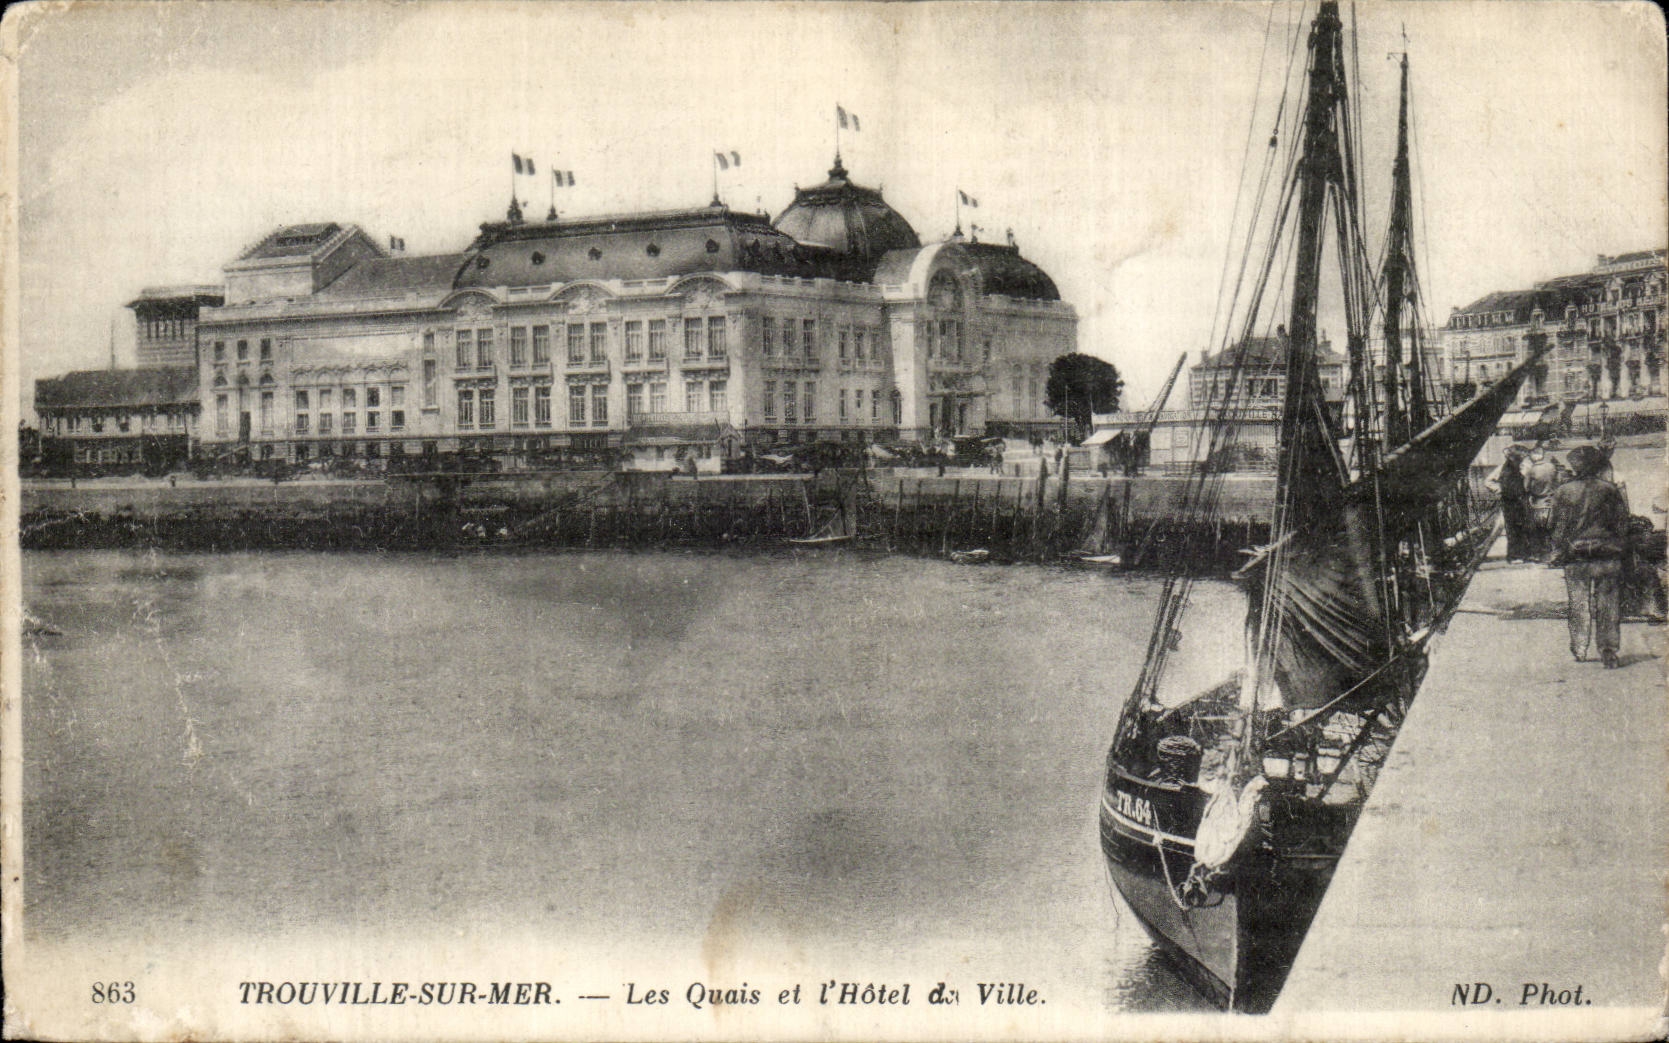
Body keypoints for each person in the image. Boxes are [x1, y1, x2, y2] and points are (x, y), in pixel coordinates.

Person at [1550, 444, 1629, 668]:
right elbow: (1622, 522)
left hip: (1576, 555)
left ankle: (1580, 648)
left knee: (1578, 602)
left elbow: (1555, 526)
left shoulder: (1563, 491)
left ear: (1574, 466)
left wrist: (1557, 549)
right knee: (1608, 603)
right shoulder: (1609, 489)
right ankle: (1609, 650)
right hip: (1607, 553)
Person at [1521, 441, 1567, 560]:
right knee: (1551, 529)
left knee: (1537, 530)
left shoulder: (1531, 470)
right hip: (1551, 501)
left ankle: (1539, 555)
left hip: (1537, 503)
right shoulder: (1551, 467)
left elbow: (1526, 487)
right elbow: (1559, 481)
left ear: (1533, 456)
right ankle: (1552, 554)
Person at [1487, 445, 1532, 562]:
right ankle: (1517, 555)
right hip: (1511, 501)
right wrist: (1499, 489)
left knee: (1518, 527)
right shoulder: (1505, 468)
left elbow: (1488, 481)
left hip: (1518, 500)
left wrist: (1499, 488)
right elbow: (1488, 481)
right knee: (1515, 527)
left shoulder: (1522, 467)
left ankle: (1518, 555)